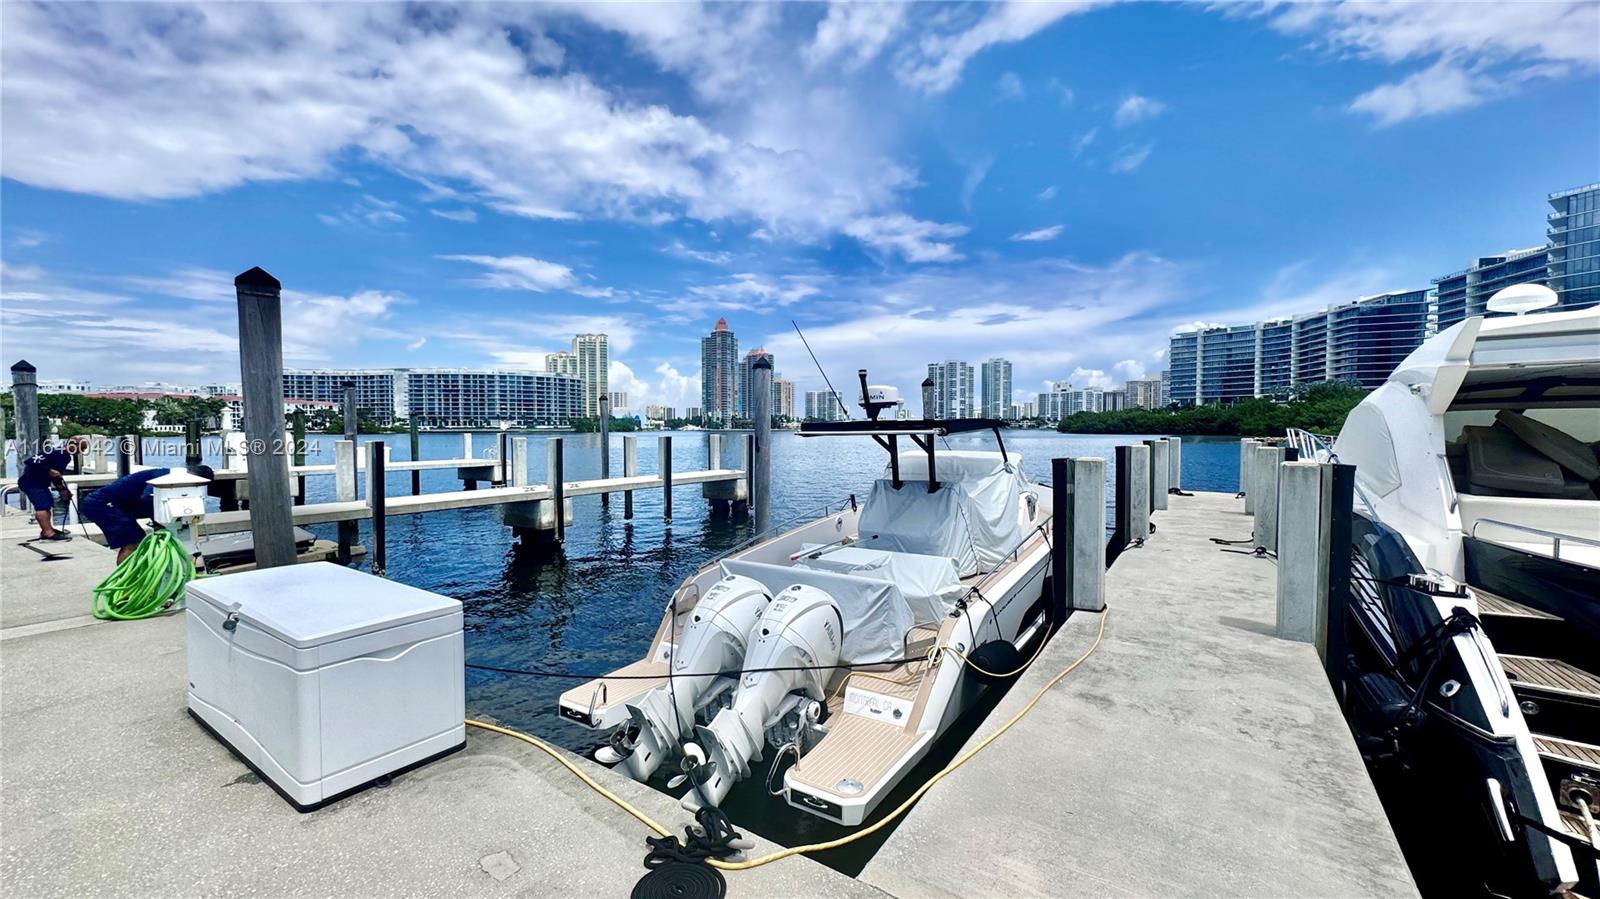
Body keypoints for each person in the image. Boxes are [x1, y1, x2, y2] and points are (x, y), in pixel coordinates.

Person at [80, 464, 214, 565]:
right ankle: (125, 582)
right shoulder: (167, 478)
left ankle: (133, 577)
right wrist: (159, 522)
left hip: (115, 504)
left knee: (137, 539)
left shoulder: (174, 476)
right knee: (132, 541)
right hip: (103, 503)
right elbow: (146, 499)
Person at [18, 436, 87, 541]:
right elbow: (30, 462)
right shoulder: (56, 452)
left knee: (48, 503)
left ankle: (47, 528)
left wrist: (63, 490)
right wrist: (49, 470)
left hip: (41, 483)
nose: (81, 452)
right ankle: (47, 532)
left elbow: (57, 476)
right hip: (31, 482)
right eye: (82, 448)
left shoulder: (66, 457)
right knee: (42, 505)